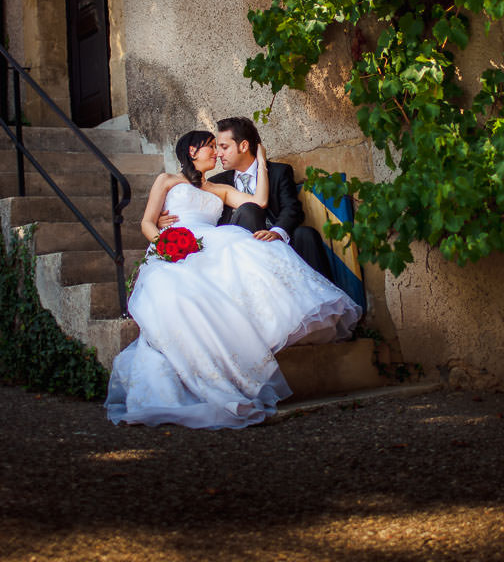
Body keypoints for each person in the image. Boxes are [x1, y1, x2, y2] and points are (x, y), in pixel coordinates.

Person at [105, 130, 362, 429]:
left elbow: (259, 201)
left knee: (249, 250)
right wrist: (165, 244)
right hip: (173, 246)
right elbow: (147, 222)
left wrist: (262, 161)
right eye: (210, 147)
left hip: (211, 242)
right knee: (178, 293)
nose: (216, 153)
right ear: (192, 151)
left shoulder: (218, 188)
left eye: (218, 146)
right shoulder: (166, 180)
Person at [159, 116, 335, 282]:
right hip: (236, 245)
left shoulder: (279, 172)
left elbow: (292, 209)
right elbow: (199, 211)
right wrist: (164, 220)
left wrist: (277, 232)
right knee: (248, 210)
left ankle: (326, 297)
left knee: (306, 234)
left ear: (243, 146)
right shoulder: (216, 182)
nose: (218, 154)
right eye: (215, 147)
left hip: (272, 236)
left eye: (224, 147)